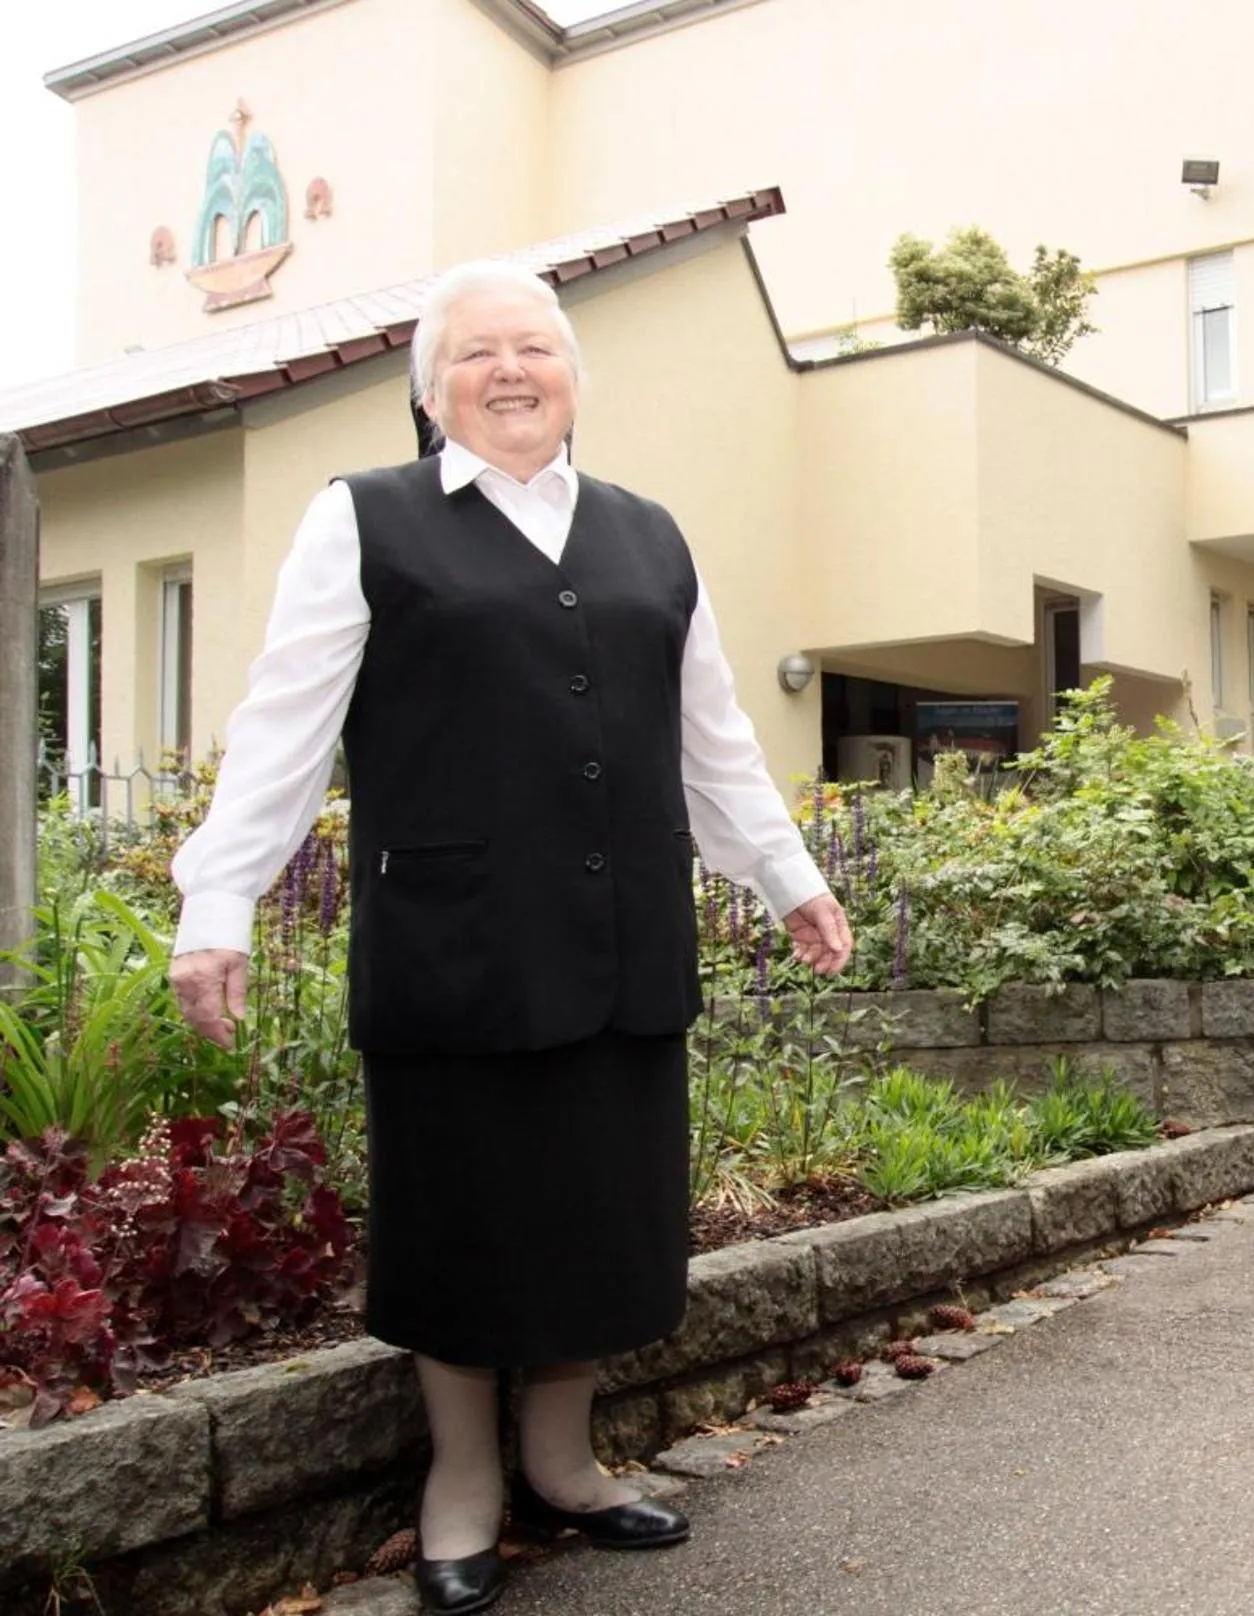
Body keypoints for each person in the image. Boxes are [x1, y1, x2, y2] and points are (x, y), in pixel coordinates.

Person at [167, 261, 852, 1616]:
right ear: (432, 390)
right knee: (465, 1221)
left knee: (602, 1214)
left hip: (618, 940)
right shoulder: (362, 522)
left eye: (534, 348)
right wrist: (217, 903)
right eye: (477, 352)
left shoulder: (649, 533)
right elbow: (285, 727)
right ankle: (464, 1479)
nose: (511, 370)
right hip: (457, 947)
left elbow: (707, 730)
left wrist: (788, 874)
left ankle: (565, 1460)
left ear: (576, 379)